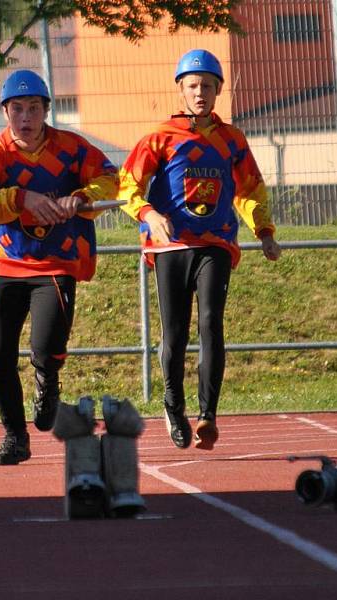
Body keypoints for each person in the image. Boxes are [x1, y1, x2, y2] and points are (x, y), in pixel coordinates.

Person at [117, 49, 281, 450]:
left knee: (211, 323)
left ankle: (208, 414)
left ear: (219, 90)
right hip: (171, 246)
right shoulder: (159, 137)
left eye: (207, 85)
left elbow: (250, 189)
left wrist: (264, 231)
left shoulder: (231, 140)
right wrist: (149, 215)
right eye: (192, 85)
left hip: (215, 244)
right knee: (174, 333)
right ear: (181, 91)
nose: (200, 92)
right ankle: (175, 409)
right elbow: (127, 186)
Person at [0, 69, 119, 465]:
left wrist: (81, 197)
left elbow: (113, 180)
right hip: (6, 265)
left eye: (34, 108)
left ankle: (48, 382)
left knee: (47, 350)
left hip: (55, 264)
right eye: (17, 109)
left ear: (46, 110)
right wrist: (18, 198)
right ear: (5, 112)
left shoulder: (71, 147)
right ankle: (15, 437)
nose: (26, 117)